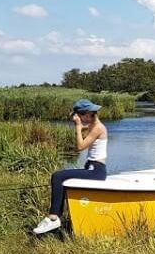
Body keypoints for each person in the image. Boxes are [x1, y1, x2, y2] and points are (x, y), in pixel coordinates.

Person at [33, 98, 108, 234]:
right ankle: (56, 218)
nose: (80, 119)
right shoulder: (93, 126)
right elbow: (83, 130)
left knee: (57, 176)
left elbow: (80, 146)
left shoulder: (98, 128)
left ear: (87, 114)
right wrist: (77, 123)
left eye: (80, 116)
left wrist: (79, 126)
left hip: (97, 171)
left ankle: (54, 217)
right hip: (91, 168)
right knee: (62, 180)